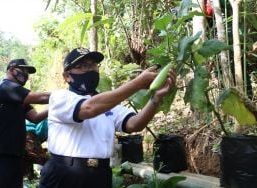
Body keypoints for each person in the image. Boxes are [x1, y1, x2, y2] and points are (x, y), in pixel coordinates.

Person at [38, 47, 177, 188]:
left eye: (93, 65)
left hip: (100, 175)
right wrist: (137, 83)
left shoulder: (107, 103)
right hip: (64, 175)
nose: (91, 70)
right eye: (84, 66)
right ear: (67, 76)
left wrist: (156, 98)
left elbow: (134, 124)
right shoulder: (60, 97)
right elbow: (88, 108)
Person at [0, 58, 50, 188]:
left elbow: (35, 117)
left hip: (14, 156)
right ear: (12, 70)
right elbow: (39, 97)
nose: (26, 75)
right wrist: (65, 96)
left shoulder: (17, 98)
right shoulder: (6, 87)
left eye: (27, 73)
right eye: (23, 70)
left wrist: (55, 106)